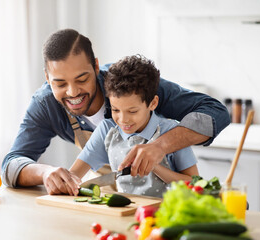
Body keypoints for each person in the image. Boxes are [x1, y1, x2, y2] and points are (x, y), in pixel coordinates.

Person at [1, 28, 230, 196]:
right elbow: (11, 164)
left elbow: (216, 112)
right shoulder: (45, 104)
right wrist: (45, 173)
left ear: (96, 66)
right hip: (112, 194)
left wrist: (160, 146)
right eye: (60, 83)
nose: (72, 92)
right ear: (47, 78)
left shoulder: (131, 85)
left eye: (82, 79)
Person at [69, 55, 199, 198]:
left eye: (132, 111)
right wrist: (56, 177)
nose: (123, 120)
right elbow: (72, 176)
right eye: (115, 110)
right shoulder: (107, 129)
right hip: (126, 213)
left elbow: (195, 184)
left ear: (153, 103)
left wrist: (154, 167)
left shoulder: (172, 132)